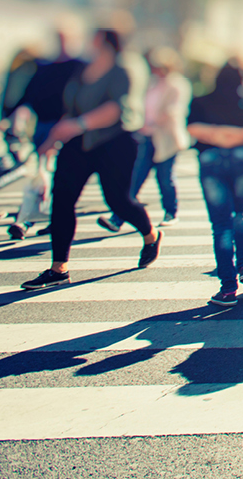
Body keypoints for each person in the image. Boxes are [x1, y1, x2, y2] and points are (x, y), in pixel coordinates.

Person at [19, 27, 163, 290]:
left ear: (106, 40)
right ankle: (58, 268)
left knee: (118, 200)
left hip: (115, 142)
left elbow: (118, 107)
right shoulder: (83, 68)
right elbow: (71, 107)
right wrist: (51, 141)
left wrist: (78, 125)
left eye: (93, 37)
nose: (88, 42)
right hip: (78, 143)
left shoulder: (126, 67)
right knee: (62, 199)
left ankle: (150, 235)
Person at [186, 62, 243, 306]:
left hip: (210, 158)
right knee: (241, 211)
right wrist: (235, 137)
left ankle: (228, 288)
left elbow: (192, 127)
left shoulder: (202, 100)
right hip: (242, 158)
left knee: (221, 223)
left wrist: (217, 136)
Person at [5, 29, 84, 241]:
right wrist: (8, 115)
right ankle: (30, 219)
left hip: (65, 128)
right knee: (42, 175)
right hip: (42, 126)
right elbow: (29, 94)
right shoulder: (45, 66)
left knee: (52, 176)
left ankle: (29, 220)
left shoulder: (79, 66)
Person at [100, 48, 189, 232]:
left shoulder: (177, 85)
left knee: (165, 178)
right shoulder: (152, 83)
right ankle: (117, 219)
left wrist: (153, 121)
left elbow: (175, 110)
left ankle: (171, 212)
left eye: (158, 66)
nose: (154, 69)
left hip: (165, 138)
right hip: (146, 136)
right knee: (135, 178)